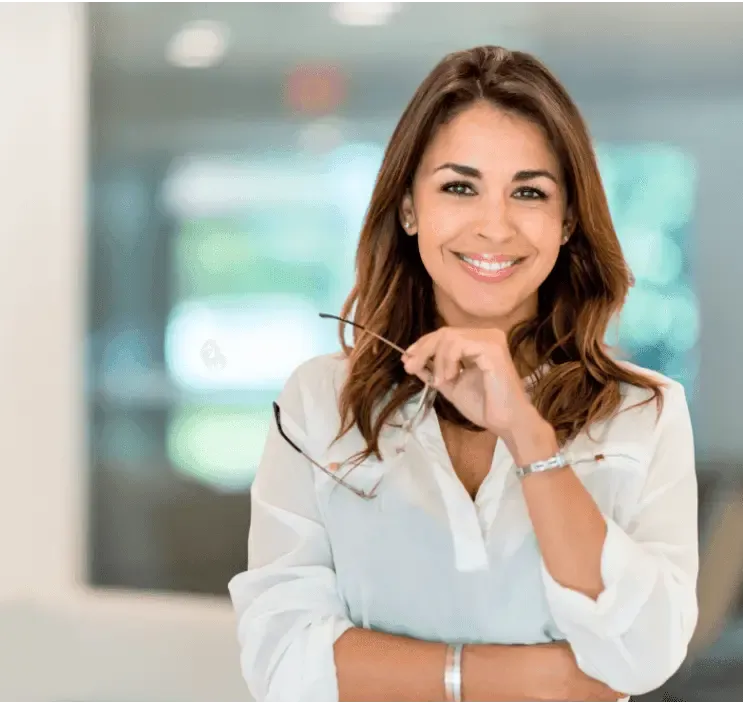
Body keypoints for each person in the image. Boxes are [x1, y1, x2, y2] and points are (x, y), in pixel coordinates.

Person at [228, 45, 698, 703]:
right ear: (409, 208)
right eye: (459, 186)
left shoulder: (641, 411)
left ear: (566, 221)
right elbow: (281, 658)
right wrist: (517, 679)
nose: (494, 226)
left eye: (529, 192)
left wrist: (527, 435)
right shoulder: (318, 402)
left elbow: (643, 654)